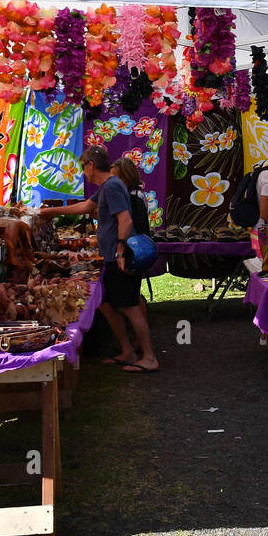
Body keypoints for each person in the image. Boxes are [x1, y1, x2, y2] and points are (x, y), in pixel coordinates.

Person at [40, 146, 158, 373]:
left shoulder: (112, 186)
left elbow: (125, 221)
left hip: (119, 258)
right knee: (105, 303)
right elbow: (87, 206)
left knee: (131, 307)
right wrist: (54, 213)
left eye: (84, 168)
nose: (84, 173)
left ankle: (150, 358)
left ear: (91, 165)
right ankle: (128, 351)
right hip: (111, 257)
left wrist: (121, 251)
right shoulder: (108, 186)